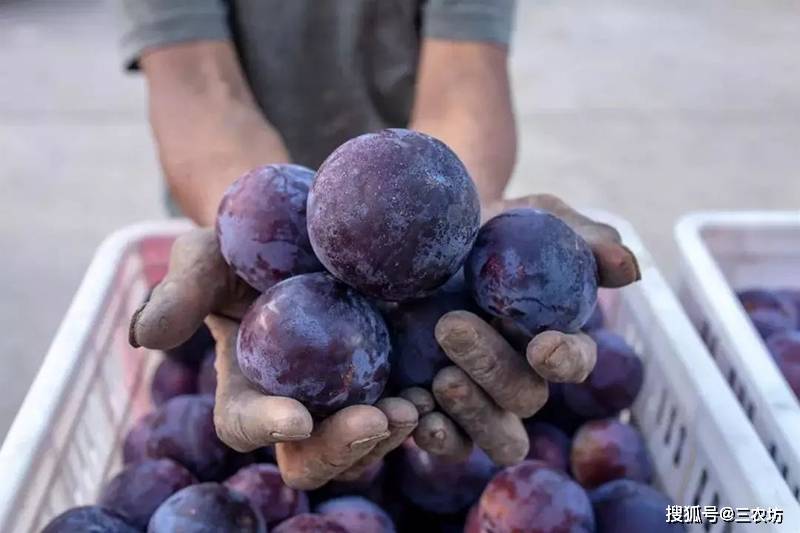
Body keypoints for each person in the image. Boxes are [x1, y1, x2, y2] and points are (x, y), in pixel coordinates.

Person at [122, 0, 640, 489]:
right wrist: (250, 234)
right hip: (300, 209)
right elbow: (200, 84)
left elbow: (464, 76)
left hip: (413, 213)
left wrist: (463, 216)